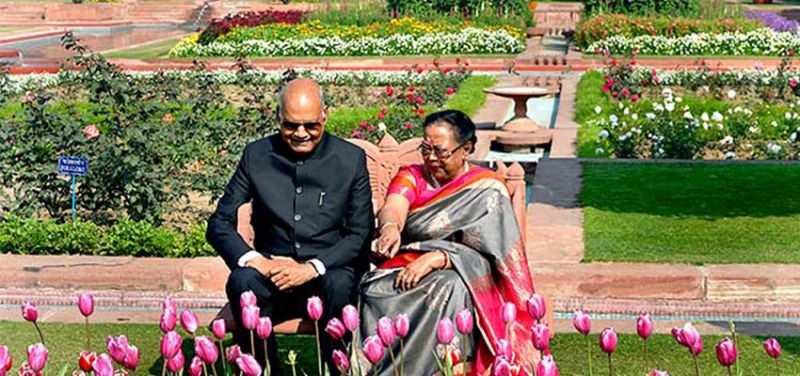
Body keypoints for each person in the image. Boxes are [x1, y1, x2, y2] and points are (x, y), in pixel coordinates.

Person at [206, 78, 374, 376]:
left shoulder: (349, 160)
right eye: (290, 125)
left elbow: (360, 234)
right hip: (274, 275)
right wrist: (258, 262)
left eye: (310, 125)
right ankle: (261, 370)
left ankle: (337, 370)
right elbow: (220, 223)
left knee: (338, 282)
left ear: (325, 115)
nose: (300, 134)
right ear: (277, 117)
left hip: (326, 275)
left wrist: (312, 267)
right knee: (243, 281)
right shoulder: (256, 155)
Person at [359, 110, 537, 376]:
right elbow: (395, 205)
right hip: (404, 268)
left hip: (466, 275)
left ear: (466, 149)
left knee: (451, 287)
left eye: (440, 151)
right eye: (425, 149)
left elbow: (497, 256)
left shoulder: (487, 189)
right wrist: (390, 228)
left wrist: (441, 258)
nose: (431, 158)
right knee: (373, 291)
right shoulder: (412, 175)